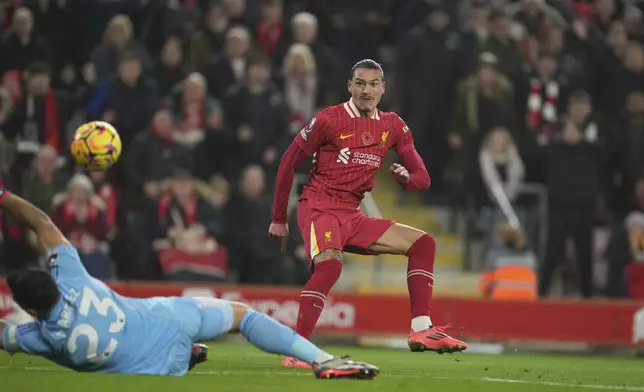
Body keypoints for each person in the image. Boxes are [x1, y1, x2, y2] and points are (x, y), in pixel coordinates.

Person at [0, 187, 378, 379]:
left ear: (31, 311)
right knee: (241, 316)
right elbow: (43, 224)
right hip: (164, 319)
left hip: (155, 366)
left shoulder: (39, 337)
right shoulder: (74, 280)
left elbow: (7, 335)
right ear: (53, 280)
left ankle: (190, 354)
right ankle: (323, 360)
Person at [269, 59, 468, 369]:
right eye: (360, 83)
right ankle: (298, 352)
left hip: (353, 213)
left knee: (423, 244)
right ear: (350, 86)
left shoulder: (392, 125)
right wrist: (279, 218)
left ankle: (421, 330)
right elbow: (287, 163)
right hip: (320, 205)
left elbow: (423, 178)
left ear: (383, 89)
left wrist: (407, 179)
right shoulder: (328, 119)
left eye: (374, 84)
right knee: (330, 266)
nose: (367, 90)